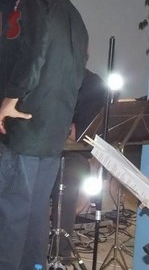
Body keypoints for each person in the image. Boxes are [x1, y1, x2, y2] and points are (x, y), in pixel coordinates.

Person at [0, 0, 89, 270]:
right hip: (51, 134)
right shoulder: (75, 16)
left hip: (20, 130)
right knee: (34, 220)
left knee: (6, 220)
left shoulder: (31, 3)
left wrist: (9, 101)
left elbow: (33, 53)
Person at [51, 68, 108, 258]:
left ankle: (61, 252)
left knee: (68, 179)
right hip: (38, 148)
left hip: (72, 153)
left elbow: (81, 133)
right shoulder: (45, 72)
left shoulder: (92, 84)